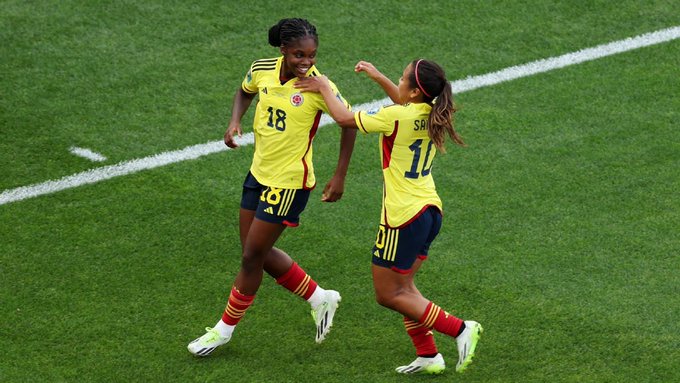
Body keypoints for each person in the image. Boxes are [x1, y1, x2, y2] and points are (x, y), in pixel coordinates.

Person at [295, 59, 482, 374]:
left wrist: (324, 86)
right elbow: (403, 103)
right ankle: (429, 355)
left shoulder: (396, 116)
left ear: (412, 91)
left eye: (402, 76)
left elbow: (342, 118)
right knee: (404, 288)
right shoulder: (430, 112)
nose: (399, 78)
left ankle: (460, 329)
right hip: (430, 210)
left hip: (402, 217)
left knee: (388, 293)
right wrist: (379, 77)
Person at [188, 18, 356, 357]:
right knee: (255, 254)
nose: (306, 63)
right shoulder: (262, 69)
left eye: (311, 55)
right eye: (299, 55)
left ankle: (223, 331)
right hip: (258, 174)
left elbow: (348, 123)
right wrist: (234, 121)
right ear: (283, 50)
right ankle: (320, 298)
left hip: (291, 182)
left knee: (252, 256)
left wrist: (340, 175)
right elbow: (244, 91)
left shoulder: (318, 86)